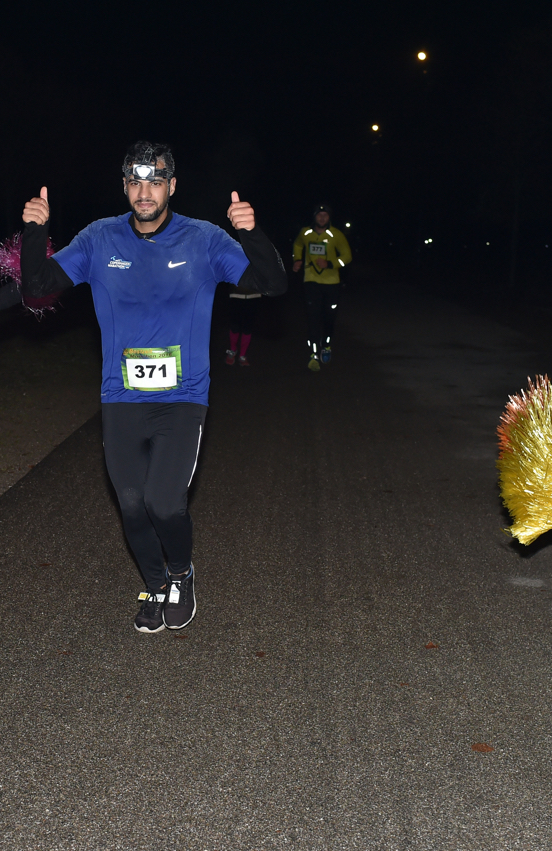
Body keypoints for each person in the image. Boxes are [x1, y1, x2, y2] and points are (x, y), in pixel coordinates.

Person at [18, 140, 287, 632]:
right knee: (131, 504)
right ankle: (156, 582)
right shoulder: (100, 239)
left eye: (156, 181)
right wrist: (35, 231)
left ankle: (182, 574)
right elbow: (37, 288)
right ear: (124, 186)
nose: (145, 192)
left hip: (183, 397)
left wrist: (252, 234)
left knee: (164, 501)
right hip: (120, 397)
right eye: (136, 182)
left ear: (172, 186)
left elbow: (274, 284)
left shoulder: (202, 239)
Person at [291, 204, 351, 371]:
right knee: (313, 318)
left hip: (332, 283)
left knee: (329, 318)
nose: (322, 218)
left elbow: (347, 256)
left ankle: (326, 345)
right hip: (311, 280)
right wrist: (297, 259)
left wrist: (330, 264)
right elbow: (297, 245)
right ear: (314, 217)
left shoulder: (336, 235)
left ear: (329, 218)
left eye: (325, 215)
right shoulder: (305, 233)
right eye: (319, 215)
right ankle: (314, 354)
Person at [223, 273, 262, 366]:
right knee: (234, 326)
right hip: (236, 294)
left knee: (248, 327)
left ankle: (242, 355)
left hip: (254, 294)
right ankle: (233, 350)